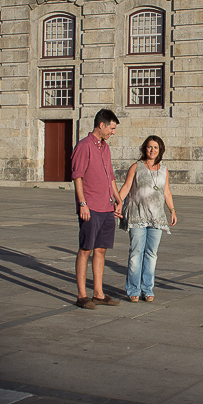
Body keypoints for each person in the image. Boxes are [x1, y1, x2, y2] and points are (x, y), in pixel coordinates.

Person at [70, 109, 123, 310]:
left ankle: (98, 293)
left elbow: (110, 177)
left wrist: (118, 200)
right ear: (101, 125)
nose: (113, 132)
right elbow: (77, 176)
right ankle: (82, 295)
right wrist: (82, 203)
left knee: (101, 249)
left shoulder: (105, 148)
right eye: (112, 128)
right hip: (90, 207)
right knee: (86, 249)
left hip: (107, 207)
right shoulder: (84, 146)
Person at [118, 136, 177, 303]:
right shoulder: (136, 167)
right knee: (136, 253)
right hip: (138, 215)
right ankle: (133, 290)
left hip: (157, 217)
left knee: (151, 254)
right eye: (150, 147)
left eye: (156, 147)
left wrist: (172, 210)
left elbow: (166, 191)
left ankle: (147, 289)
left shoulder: (164, 170)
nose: (152, 150)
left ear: (160, 150)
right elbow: (127, 186)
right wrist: (118, 203)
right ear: (145, 148)